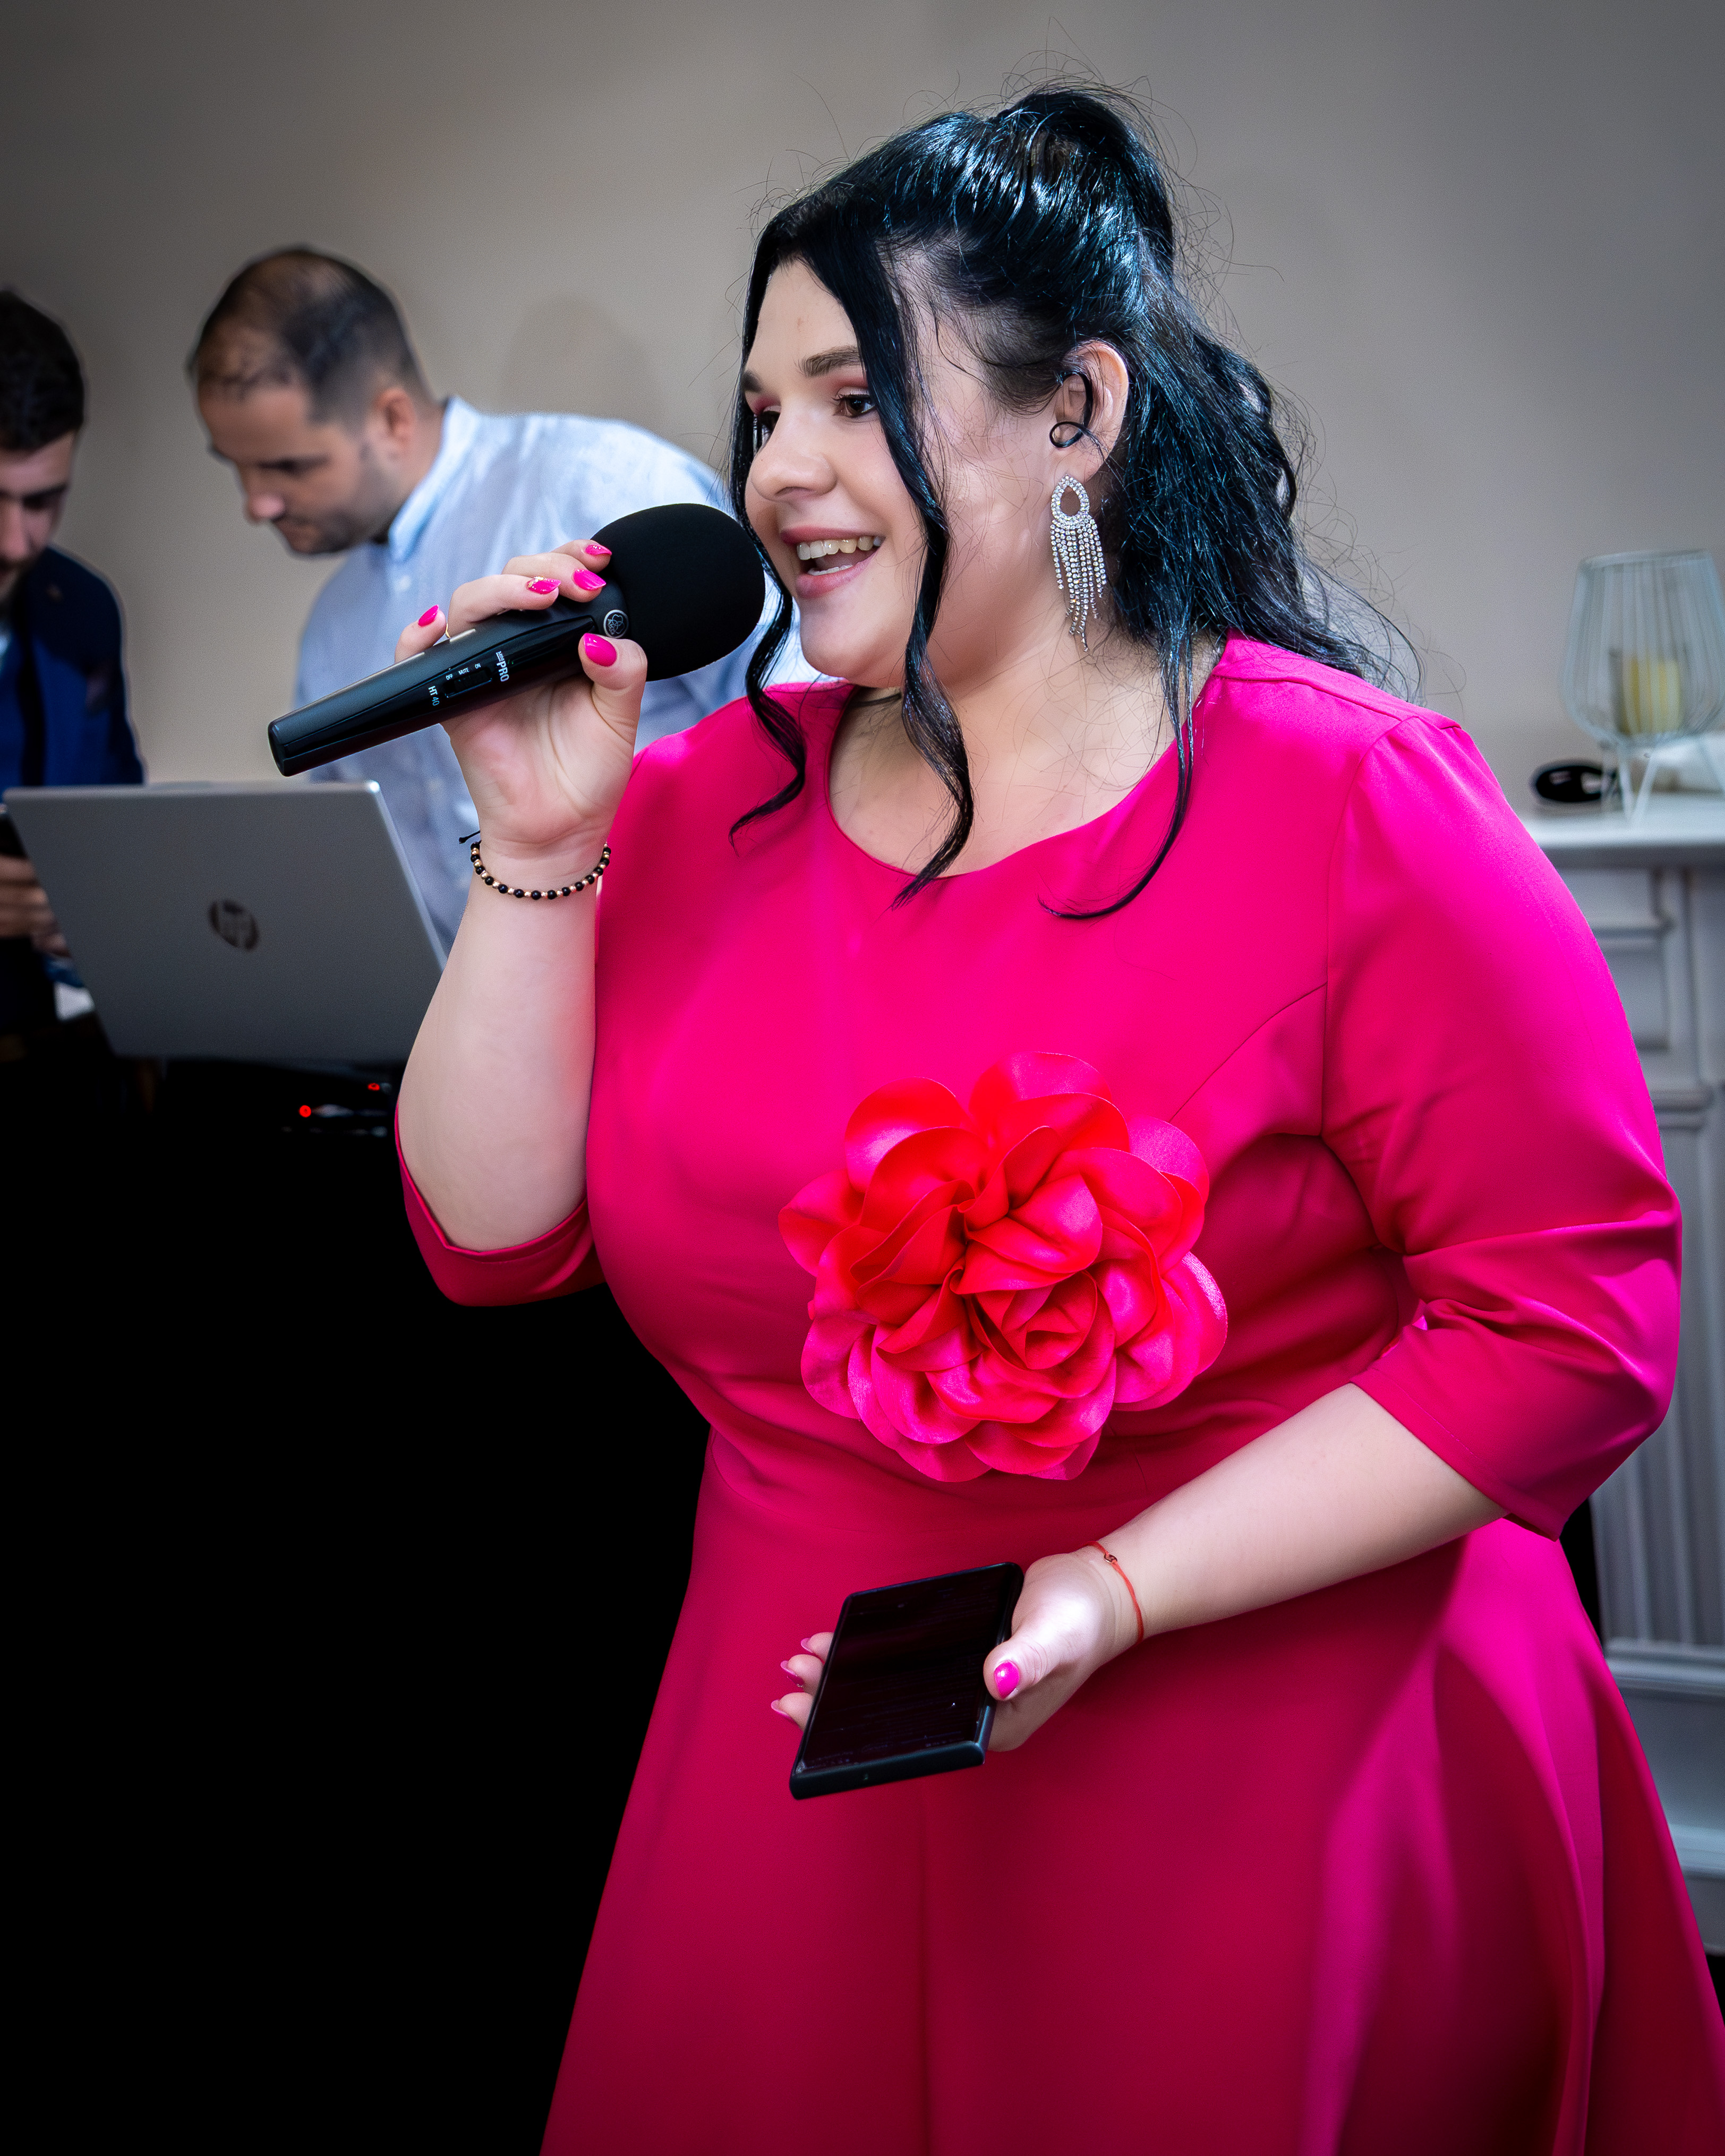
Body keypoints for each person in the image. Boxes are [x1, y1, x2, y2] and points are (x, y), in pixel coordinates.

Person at [389, 89, 1724, 2153]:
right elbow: (489, 1241)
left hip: (1274, 1749)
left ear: (1075, 412)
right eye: (758, 409)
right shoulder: (693, 806)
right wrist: (536, 836)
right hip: (802, 1741)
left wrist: (1114, 1585)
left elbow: (1570, 1325)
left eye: (853, 396)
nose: (779, 470)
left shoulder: (1350, 801)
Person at [192, 250, 795, 951]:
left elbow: (792, 714)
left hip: (693, 959)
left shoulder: (597, 483)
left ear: (391, 419)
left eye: (286, 466)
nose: (256, 504)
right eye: (237, 468)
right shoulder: (331, 628)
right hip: (480, 997)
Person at [0, 291, 143, 1051]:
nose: (16, 542)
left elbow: (118, 822)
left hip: (52, 1049)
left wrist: (99, 908)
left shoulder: (82, 610)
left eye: (43, 501)